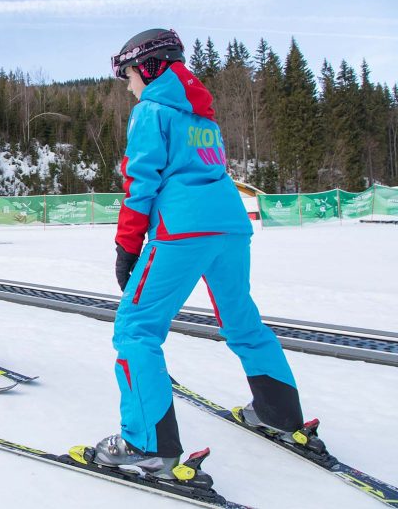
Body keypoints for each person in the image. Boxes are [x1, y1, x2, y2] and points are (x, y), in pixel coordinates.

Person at [92, 28, 320, 482]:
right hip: (231, 227)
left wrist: (126, 245)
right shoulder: (203, 117)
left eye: (129, 74)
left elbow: (141, 183)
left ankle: (145, 444)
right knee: (242, 321)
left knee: (136, 328)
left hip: (181, 230)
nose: (129, 85)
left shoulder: (151, 110)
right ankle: (279, 413)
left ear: (148, 66)